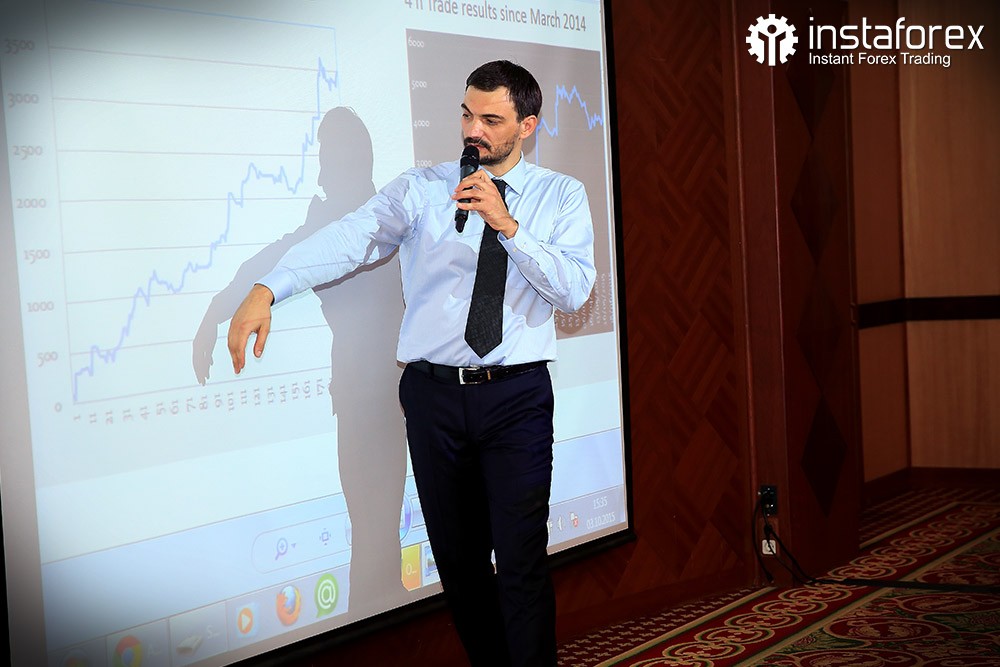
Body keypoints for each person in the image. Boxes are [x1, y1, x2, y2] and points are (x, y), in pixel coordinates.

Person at [227, 60, 596, 666]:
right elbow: (350, 237)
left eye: (491, 119)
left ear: (526, 126)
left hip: (516, 398)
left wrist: (508, 226)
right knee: (459, 564)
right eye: (467, 114)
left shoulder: (561, 196)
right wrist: (269, 287)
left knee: (521, 559)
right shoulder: (421, 189)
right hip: (433, 398)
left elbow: (575, 291)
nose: (473, 130)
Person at [193, 107, 407, 619]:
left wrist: (214, 314)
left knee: (376, 532)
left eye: (328, 157)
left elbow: (276, 257)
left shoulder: (382, 219)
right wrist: (216, 312)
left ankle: (381, 629)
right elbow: (270, 260)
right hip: (367, 396)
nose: (320, 172)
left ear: (354, 161)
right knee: (375, 532)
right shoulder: (336, 222)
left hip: (388, 398)